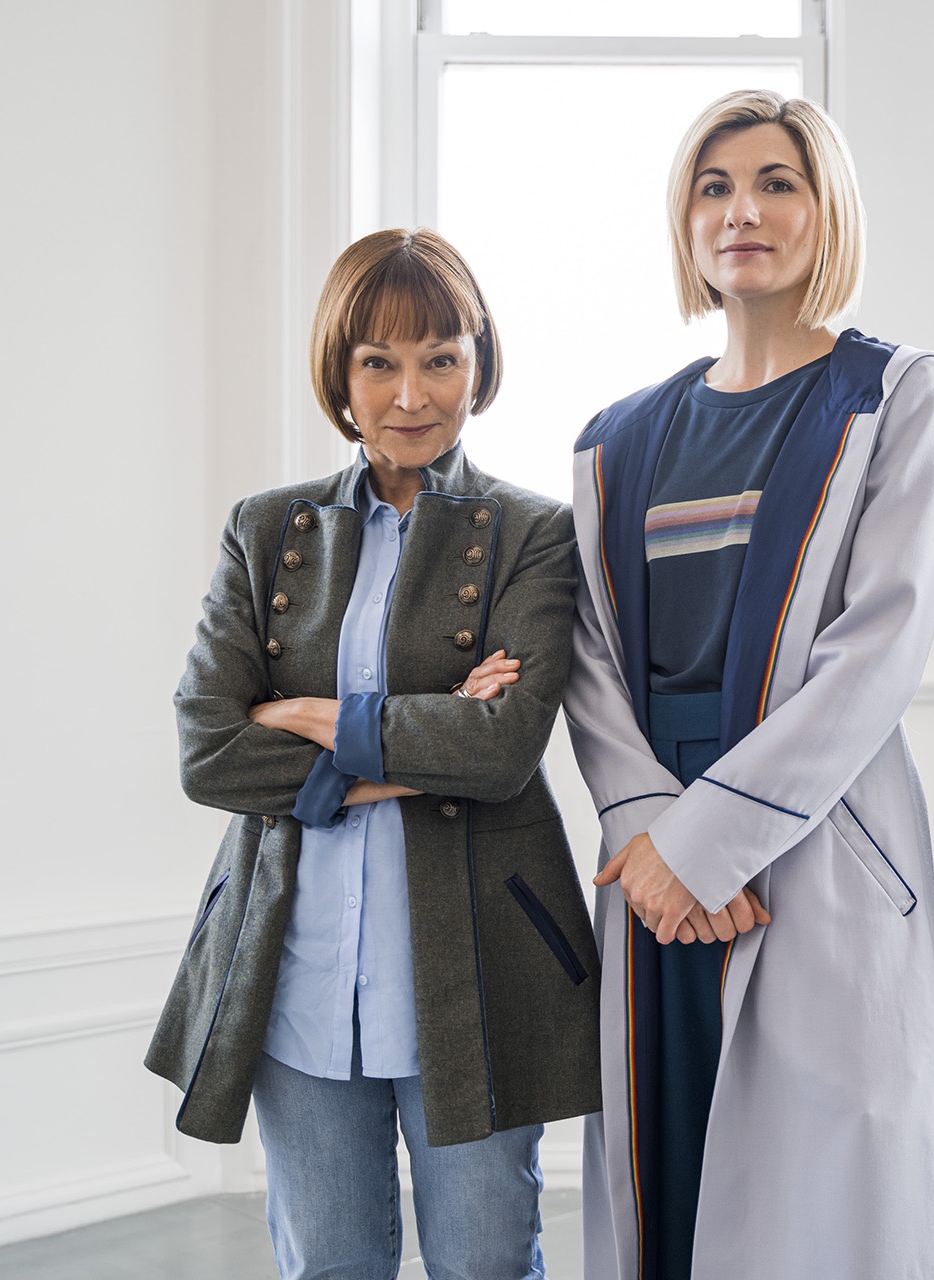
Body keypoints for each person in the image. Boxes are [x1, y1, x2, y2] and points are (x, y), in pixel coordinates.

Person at [564, 89, 934, 1280]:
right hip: (652, 869)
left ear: (824, 207)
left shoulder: (891, 393)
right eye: (715, 185)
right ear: (685, 221)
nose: (745, 209)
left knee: (820, 1206)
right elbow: (589, 660)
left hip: (814, 833)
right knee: (668, 1173)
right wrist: (652, 837)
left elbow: (878, 645)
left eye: (778, 181)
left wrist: (710, 844)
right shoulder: (615, 438)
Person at [145, 228, 599, 1280]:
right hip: (294, 976)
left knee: (488, 1261)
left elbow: (501, 749)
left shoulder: (534, 532)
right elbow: (208, 748)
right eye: (379, 361)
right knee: (329, 1266)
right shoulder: (266, 530)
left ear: (479, 362)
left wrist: (308, 712)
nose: (411, 393)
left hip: (480, 968)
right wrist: (417, 735)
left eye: (442, 356)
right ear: (339, 375)